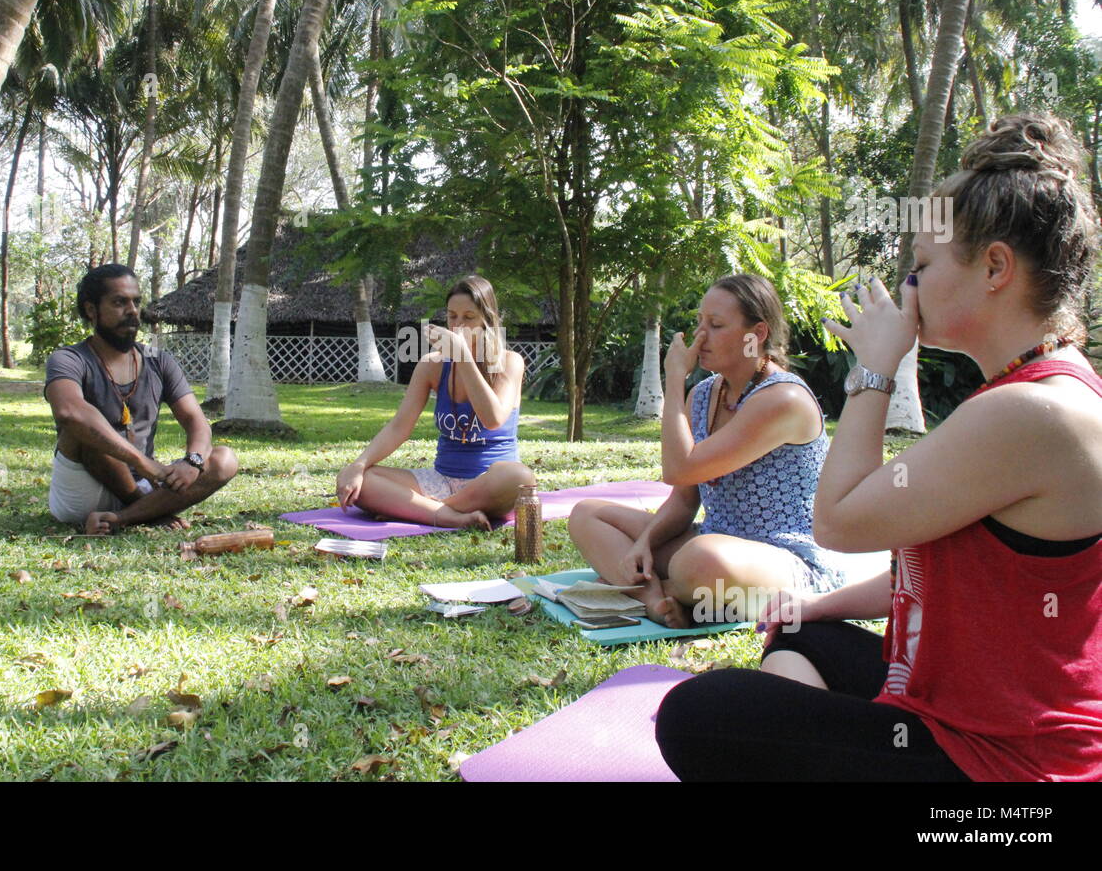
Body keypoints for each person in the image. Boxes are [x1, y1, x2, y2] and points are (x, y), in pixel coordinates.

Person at [656, 113, 1102, 781]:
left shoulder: (1034, 412)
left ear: (995, 268)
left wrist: (874, 370)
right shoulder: (1033, 395)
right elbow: (923, 574)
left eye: (921, 267)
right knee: (806, 632)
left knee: (700, 714)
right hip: (940, 709)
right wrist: (811, 605)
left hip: (1003, 772)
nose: (909, 289)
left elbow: (836, 521)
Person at [569, 273, 850, 627]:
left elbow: (678, 468)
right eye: (699, 322)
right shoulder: (703, 395)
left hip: (786, 560)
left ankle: (643, 587)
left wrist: (673, 382)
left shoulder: (783, 400)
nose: (700, 336)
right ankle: (656, 598)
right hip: (715, 537)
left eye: (715, 325)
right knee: (587, 514)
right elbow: (685, 498)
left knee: (699, 560)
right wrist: (644, 541)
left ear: (757, 334)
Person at [44, 264, 239, 535]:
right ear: (91, 310)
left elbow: (196, 421)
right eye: (119, 302)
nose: (132, 311)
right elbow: (68, 412)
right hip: (83, 490)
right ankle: (147, 511)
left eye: (136, 302)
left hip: (147, 483)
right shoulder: (70, 359)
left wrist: (193, 461)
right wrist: (143, 463)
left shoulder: (157, 359)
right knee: (82, 428)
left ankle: (124, 517)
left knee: (224, 460)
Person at [335, 275, 535, 529]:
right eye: (452, 317)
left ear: (487, 319)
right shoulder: (432, 364)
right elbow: (400, 427)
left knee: (520, 478)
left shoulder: (509, 362)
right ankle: (449, 515)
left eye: (469, 317)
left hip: (489, 483)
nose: (458, 326)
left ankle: (421, 510)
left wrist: (462, 357)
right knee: (359, 480)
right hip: (440, 480)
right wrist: (358, 465)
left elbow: (493, 418)